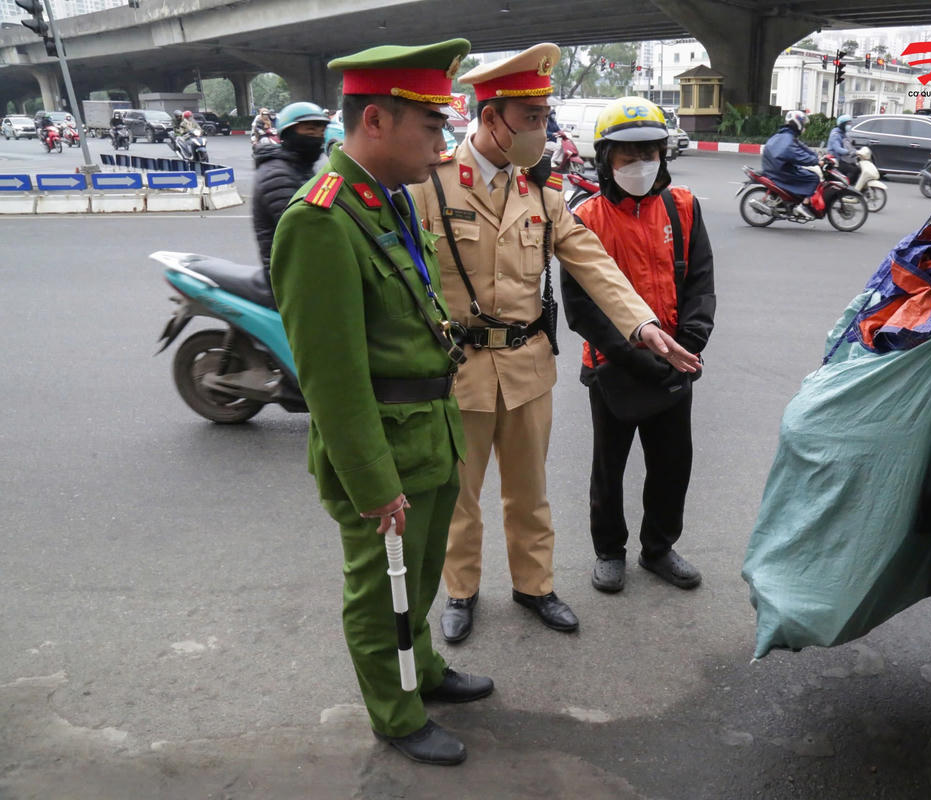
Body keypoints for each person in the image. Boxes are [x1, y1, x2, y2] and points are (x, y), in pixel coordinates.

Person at [409, 43, 699, 644]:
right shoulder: (429, 188)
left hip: (526, 368)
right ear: (492, 118)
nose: (543, 130)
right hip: (457, 369)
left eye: (545, 117)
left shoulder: (541, 193)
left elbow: (593, 263)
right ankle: (461, 591)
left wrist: (644, 326)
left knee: (529, 493)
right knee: (460, 497)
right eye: (532, 119)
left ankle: (534, 585)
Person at [269, 38, 494, 768]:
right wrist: (373, 485)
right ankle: (396, 714)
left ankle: (422, 671)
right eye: (430, 129)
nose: (441, 146)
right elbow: (331, 378)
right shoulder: (321, 219)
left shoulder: (383, 200)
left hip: (428, 431)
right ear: (376, 123)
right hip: (385, 451)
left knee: (421, 575)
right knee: (380, 593)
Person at [562, 97, 716, 594]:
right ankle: (609, 551)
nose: (639, 165)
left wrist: (685, 346)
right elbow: (582, 307)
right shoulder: (585, 216)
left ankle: (659, 548)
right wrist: (636, 357)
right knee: (609, 467)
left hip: (674, 362)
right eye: (627, 156)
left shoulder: (683, 207)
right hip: (613, 365)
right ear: (605, 158)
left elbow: (701, 284)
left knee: (673, 464)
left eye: (649, 153)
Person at [252, 101, 329, 274]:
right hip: (287, 276)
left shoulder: (301, 167)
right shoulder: (276, 174)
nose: (317, 136)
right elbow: (306, 230)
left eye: (321, 131)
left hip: (305, 265)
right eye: (310, 130)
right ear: (288, 133)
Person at [761, 110, 820, 219]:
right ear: (797, 123)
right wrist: (816, 161)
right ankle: (804, 205)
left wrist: (817, 156)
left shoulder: (785, 135)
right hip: (780, 171)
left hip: (775, 167)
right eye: (803, 124)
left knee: (805, 173)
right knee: (813, 178)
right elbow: (800, 156)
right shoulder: (788, 140)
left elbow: (803, 148)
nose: (803, 127)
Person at [826, 113, 861, 186]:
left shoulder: (844, 133)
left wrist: (857, 150)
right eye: (848, 123)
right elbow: (838, 149)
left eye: (850, 123)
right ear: (842, 124)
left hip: (843, 159)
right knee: (854, 170)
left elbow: (850, 143)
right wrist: (848, 152)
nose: (849, 125)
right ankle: (846, 188)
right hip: (835, 160)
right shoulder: (835, 135)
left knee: (858, 168)